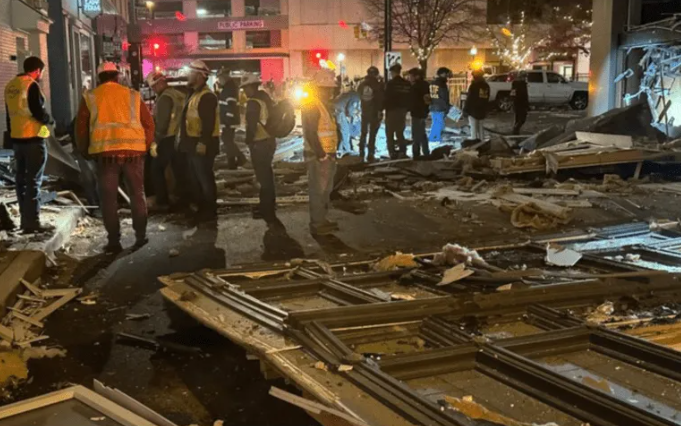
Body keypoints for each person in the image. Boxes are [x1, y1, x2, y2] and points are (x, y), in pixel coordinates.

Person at [75, 62, 155, 252]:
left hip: (105, 155)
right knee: (137, 194)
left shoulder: (91, 97)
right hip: (133, 154)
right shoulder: (133, 96)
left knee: (108, 198)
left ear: (98, 78)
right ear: (118, 77)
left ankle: (113, 241)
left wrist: (85, 150)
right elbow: (149, 124)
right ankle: (141, 236)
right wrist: (143, 147)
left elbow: (81, 129)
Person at [4, 56, 54, 233]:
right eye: (42, 72)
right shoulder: (31, 86)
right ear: (37, 70)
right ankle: (32, 222)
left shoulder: (10, 86)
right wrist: (49, 120)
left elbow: (10, 115)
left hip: (17, 141)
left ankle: (25, 221)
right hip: (33, 139)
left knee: (21, 181)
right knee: (33, 181)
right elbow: (37, 112)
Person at [177, 60, 220, 223]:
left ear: (200, 76)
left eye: (191, 73)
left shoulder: (207, 96)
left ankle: (209, 210)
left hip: (202, 143)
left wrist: (203, 142)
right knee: (197, 178)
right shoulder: (194, 94)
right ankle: (202, 208)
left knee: (205, 178)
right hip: (193, 143)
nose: (188, 75)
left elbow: (208, 123)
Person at [302, 70, 339, 235]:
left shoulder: (323, 105)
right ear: (319, 88)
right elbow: (311, 132)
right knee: (318, 191)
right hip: (319, 156)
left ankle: (322, 220)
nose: (331, 92)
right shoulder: (313, 106)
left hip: (327, 155)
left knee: (325, 190)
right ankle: (318, 224)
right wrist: (321, 154)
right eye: (327, 88)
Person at [145, 71, 186, 211]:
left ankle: (162, 201)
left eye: (154, 87)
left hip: (168, 138)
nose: (154, 90)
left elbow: (162, 124)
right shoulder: (178, 94)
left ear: (160, 83)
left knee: (156, 169)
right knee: (179, 170)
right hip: (181, 137)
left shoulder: (165, 98)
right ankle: (182, 199)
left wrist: (155, 141)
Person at [242, 73, 277, 223]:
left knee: (263, 178)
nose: (244, 91)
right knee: (267, 176)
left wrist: (248, 141)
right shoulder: (265, 98)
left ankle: (266, 210)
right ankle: (268, 206)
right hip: (269, 140)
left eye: (245, 88)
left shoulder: (253, 103)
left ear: (251, 86)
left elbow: (251, 127)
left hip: (260, 142)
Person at [217, 68, 246, 169]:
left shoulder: (229, 88)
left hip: (229, 120)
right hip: (228, 120)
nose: (219, 80)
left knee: (227, 141)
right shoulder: (228, 87)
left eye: (219, 78)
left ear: (224, 77)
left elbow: (231, 104)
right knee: (228, 141)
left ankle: (240, 158)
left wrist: (228, 119)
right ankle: (232, 162)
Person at [384, 64, 411, 159]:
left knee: (389, 132)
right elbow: (409, 97)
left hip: (392, 110)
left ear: (392, 72)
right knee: (400, 132)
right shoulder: (407, 84)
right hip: (402, 111)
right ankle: (402, 151)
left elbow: (386, 98)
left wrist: (383, 108)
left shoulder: (390, 84)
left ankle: (392, 152)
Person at [356, 66, 384, 162]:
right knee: (372, 134)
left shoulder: (362, 85)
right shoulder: (378, 85)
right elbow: (380, 99)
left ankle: (361, 152)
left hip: (364, 111)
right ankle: (370, 154)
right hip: (374, 113)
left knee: (363, 133)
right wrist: (380, 111)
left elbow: (358, 96)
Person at [408, 67, 431, 159]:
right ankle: (426, 152)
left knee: (416, 134)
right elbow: (428, 99)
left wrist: (409, 108)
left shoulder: (415, 87)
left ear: (416, 76)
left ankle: (416, 153)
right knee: (422, 133)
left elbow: (412, 101)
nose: (409, 78)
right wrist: (426, 110)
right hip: (423, 112)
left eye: (410, 76)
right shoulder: (426, 85)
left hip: (416, 112)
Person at [463, 69, 491, 141]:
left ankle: (474, 143)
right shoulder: (485, 85)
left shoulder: (474, 85)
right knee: (480, 127)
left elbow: (470, 98)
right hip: (482, 109)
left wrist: (465, 109)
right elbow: (486, 98)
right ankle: (481, 142)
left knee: (473, 128)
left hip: (473, 109)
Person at [333, 88, 360, 156]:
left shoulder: (352, 93)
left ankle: (340, 150)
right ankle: (347, 151)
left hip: (335, 110)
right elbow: (350, 110)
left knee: (343, 132)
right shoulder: (356, 97)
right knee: (346, 132)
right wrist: (354, 115)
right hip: (339, 111)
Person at [429, 67, 452, 143]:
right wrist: (447, 107)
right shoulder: (442, 84)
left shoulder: (433, 82)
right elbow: (444, 96)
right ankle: (435, 139)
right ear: (443, 74)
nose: (448, 75)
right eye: (447, 73)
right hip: (440, 107)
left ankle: (434, 138)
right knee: (439, 124)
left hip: (433, 106)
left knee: (435, 123)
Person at [511, 71, 529, 135]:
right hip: (519, 103)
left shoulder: (522, 84)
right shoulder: (517, 84)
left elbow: (525, 95)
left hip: (520, 103)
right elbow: (513, 93)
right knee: (522, 118)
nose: (525, 78)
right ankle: (515, 129)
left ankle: (516, 130)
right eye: (524, 77)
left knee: (518, 118)